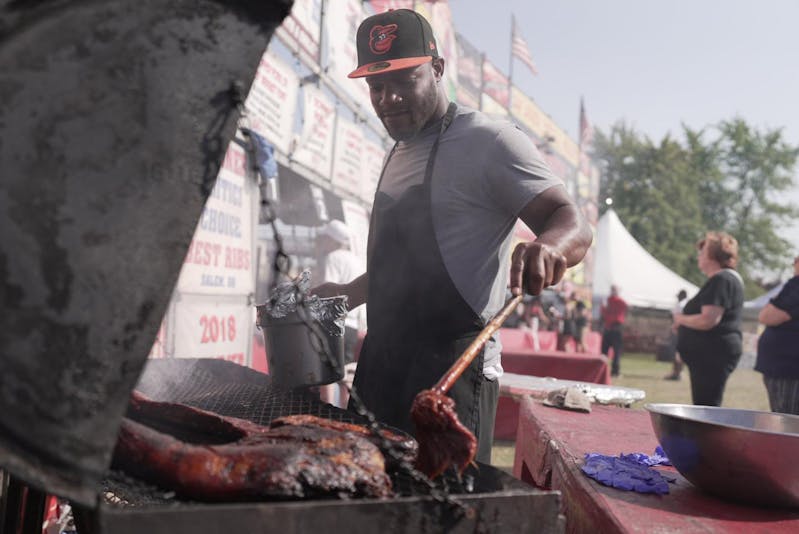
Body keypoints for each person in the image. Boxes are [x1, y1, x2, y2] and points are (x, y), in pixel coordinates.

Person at [313, 8, 592, 464]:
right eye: (377, 86)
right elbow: (406, 268)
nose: (388, 98)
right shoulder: (397, 151)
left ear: (438, 68)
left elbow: (571, 219)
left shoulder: (490, 141)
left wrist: (549, 246)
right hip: (380, 364)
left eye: (405, 80)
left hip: (453, 373)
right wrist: (348, 293)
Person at [673, 232, 744, 406]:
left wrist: (681, 320)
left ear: (713, 256)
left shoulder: (722, 280)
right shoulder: (724, 279)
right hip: (710, 354)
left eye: (703, 252)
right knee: (704, 404)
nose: (699, 256)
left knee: (706, 406)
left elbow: (708, 320)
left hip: (712, 355)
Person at [314, 220, 363, 407]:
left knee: (326, 370)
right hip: (352, 326)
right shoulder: (357, 260)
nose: (323, 242)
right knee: (346, 371)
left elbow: (328, 295)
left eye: (325, 238)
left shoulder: (333, 258)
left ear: (333, 240)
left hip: (334, 323)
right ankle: (344, 411)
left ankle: (326, 408)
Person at [754, 255, 799, 414]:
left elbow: (767, 316)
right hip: (785, 367)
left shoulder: (796, 286)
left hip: (789, 370)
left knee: (788, 420)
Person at [600, 285, 628, 376]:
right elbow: (603, 312)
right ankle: (603, 370)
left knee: (615, 352)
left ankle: (614, 371)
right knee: (606, 351)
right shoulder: (609, 300)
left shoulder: (619, 301)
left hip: (615, 327)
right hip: (610, 328)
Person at [664, 289, 688, 380]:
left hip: (679, 331)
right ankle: (679, 372)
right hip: (686, 331)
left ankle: (676, 373)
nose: (678, 298)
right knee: (681, 353)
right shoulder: (689, 304)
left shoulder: (680, 304)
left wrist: (674, 327)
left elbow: (677, 317)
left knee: (676, 353)